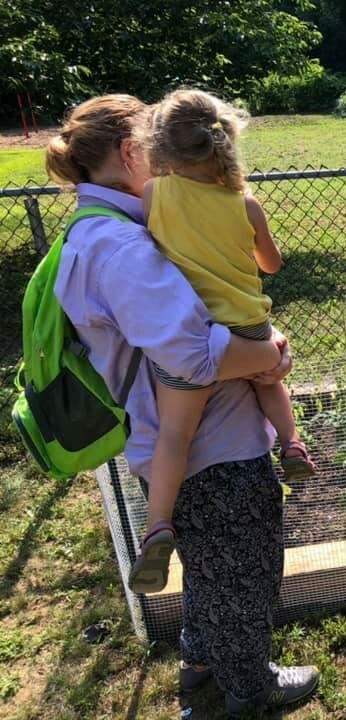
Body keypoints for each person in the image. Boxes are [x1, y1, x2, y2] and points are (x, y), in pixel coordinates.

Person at [45, 94, 318, 713]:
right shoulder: (123, 249)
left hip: (177, 447)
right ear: (129, 152)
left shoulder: (103, 233)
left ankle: (200, 668)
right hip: (214, 451)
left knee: (210, 570)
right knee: (244, 576)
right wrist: (270, 357)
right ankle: (249, 688)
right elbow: (192, 358)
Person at [127, 88, 314, 595]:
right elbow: (271, 264)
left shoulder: (152, 196)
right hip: (246, 327)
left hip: (191, 334)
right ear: (224, 143)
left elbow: (150, 250)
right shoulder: (245, 203)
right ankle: (292, 444)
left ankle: (159, 524)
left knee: (174, 435)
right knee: (269, 380)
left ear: (160, 149)